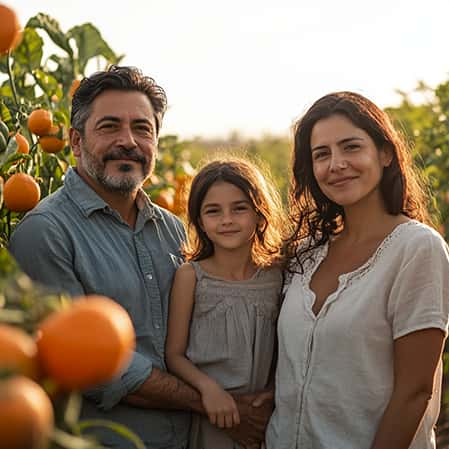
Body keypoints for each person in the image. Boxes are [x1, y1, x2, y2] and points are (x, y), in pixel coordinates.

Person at [8, 65, 272, 449]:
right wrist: (215, 405)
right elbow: (87, 362)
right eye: (110, 126)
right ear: (76, 142)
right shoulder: (46, 232)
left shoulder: (173, 228)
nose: (128, 141)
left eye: (142, 129)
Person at [266, 91, 449, 449]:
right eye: (322, 154)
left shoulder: (416, 249)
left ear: (384, 154)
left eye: (351, 147)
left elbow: (414, 392)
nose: (336, 164)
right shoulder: (305, 255)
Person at [165, 157, 285, 449]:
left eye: (239, 208)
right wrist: (209, 390)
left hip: (262, 420)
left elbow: (284, 349)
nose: (227, 220)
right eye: (213, 211)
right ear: (200, 222)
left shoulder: (277, 276)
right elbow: (174, 354)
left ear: (260, 214)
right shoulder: (190, 276)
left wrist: (271, 392)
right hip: (211, 417)